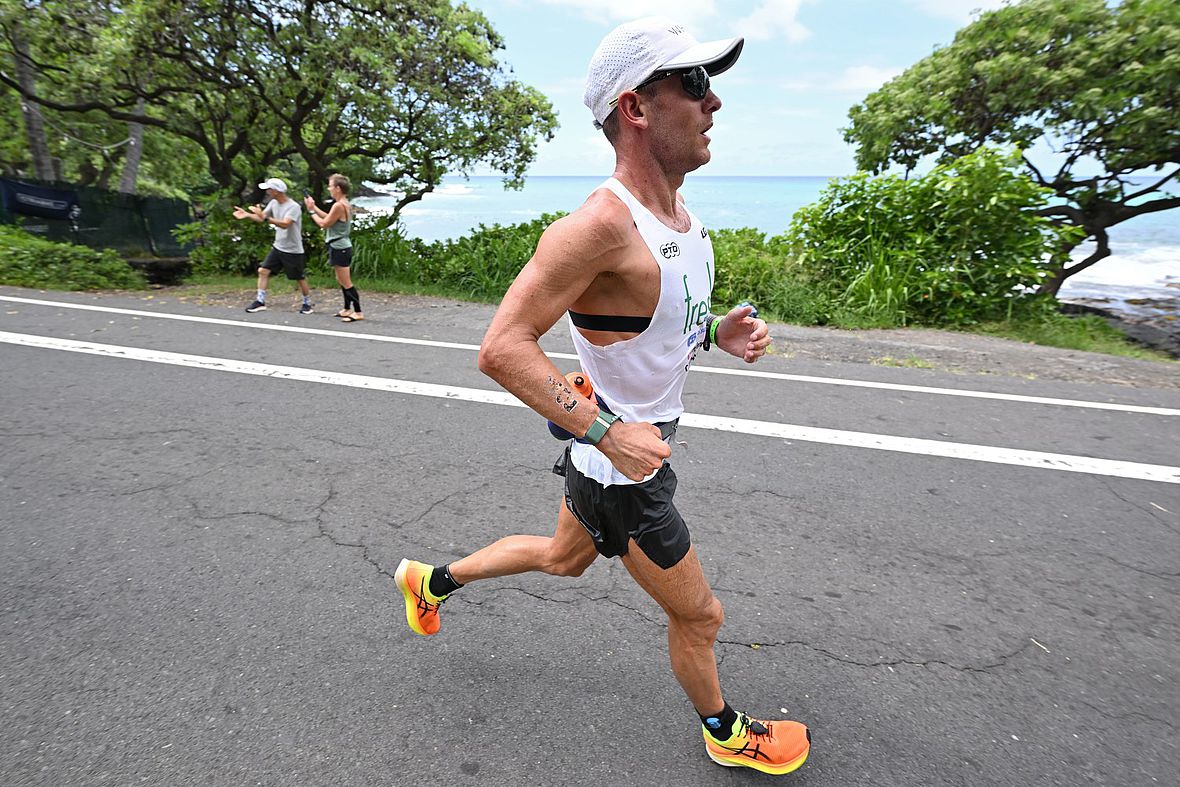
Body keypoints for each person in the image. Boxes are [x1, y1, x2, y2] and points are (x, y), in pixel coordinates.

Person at [395, 17, 811, 776]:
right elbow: (502, 346)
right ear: (636, 108)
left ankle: (432, 579)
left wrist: (715, 331)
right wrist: (607, 432)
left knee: (561, 558)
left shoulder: (683, 223)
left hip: (615, 460)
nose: (712, 101)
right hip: (625, 472)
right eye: (693, 83)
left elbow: (651, 325)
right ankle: (726, 730)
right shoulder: (595, 228)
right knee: (700, 613)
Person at [234, 177, 312, 314]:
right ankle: (260, 301)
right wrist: (246, 215)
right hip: (278, 246)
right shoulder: (273, 203)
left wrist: (266, 218)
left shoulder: (293, 207)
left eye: (269, 189)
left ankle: (307, 303)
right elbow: (261, 218)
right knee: (263, 271)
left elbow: (285, 224)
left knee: (299, 277)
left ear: (277, 191)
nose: (268, 191)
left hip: (293, 250)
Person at [305, 174, 364, 322]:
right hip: (340, 245)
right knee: (341, 279)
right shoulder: (343, 203)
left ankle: (358, 311)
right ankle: (346, 308)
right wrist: (314, 207)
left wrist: (311, 211)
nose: (328, 188)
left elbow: (323, 224)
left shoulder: (339, 205)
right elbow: (329, 218)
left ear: (338, 188)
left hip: (340, 247)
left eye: (330, 185)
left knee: (346, 281)